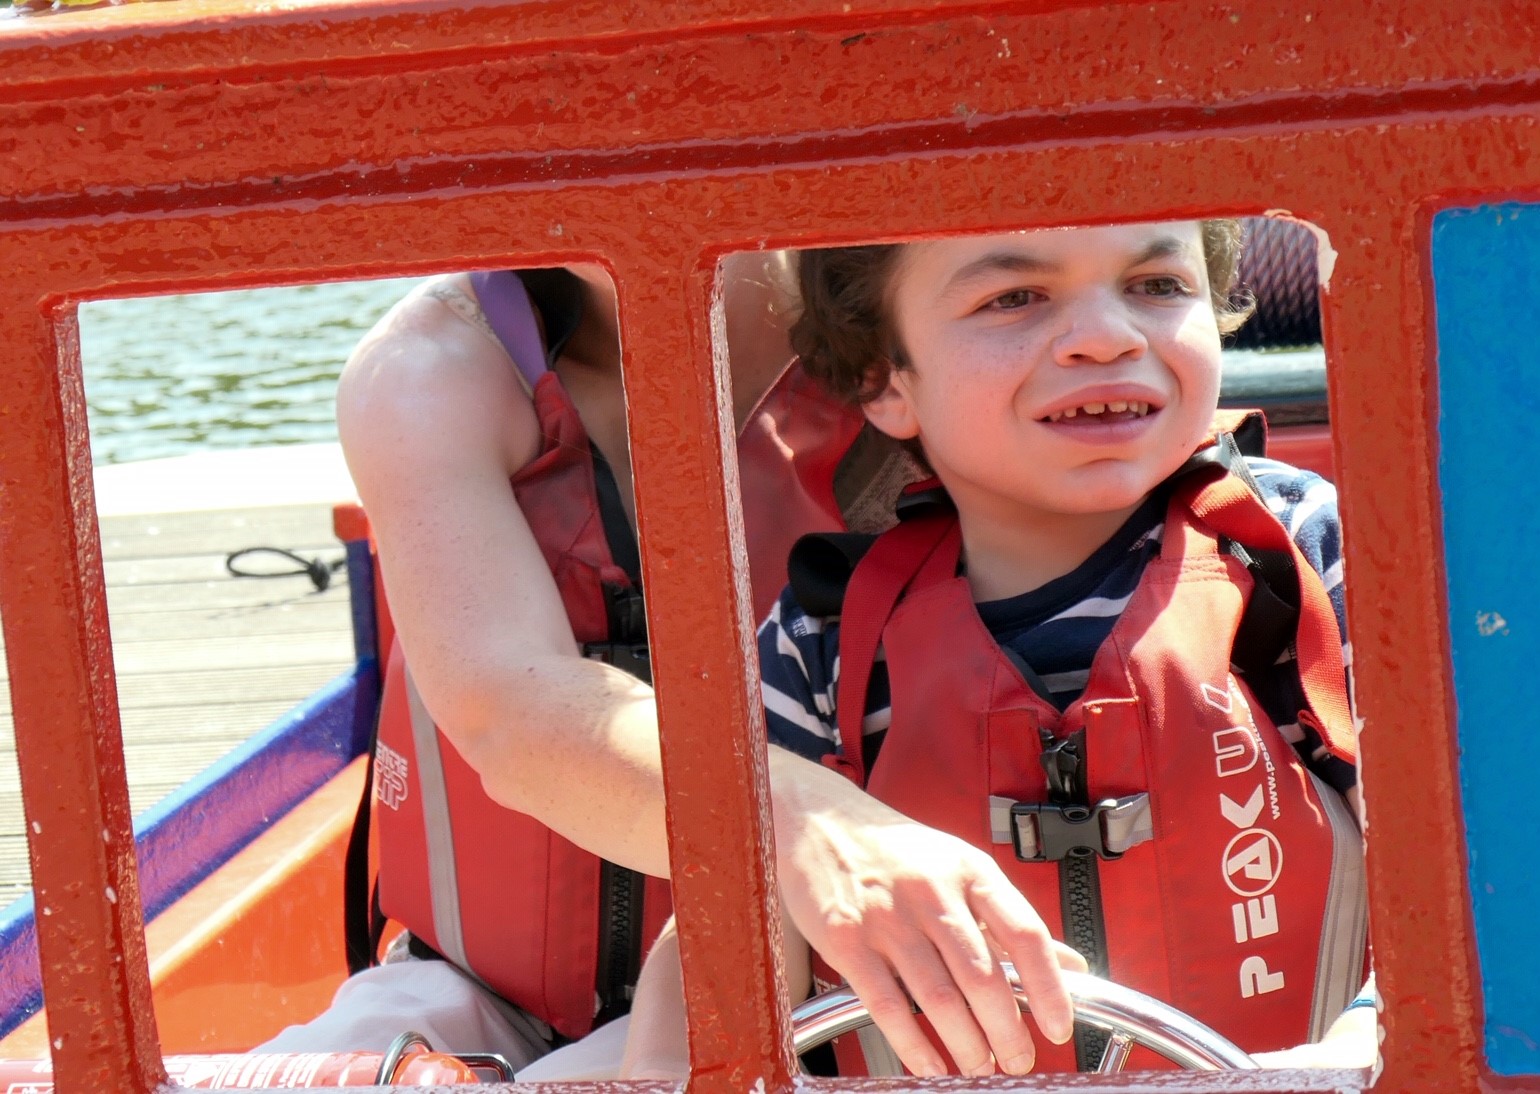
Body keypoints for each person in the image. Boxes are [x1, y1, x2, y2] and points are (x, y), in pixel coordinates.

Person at [260, 251, 1081, 1077]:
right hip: (472, 991)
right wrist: (804, 823)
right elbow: (503, 705)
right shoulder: (429, 369)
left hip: (824, 986)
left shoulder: (911, 312)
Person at [618, 219, 1374, 1079]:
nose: (1107, 337)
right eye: (1013, 298)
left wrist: (1363, 1052)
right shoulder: (824, 642)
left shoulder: (1300, 558)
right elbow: (718, 943)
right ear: (884, 378)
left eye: (1158, 286)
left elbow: (1461, 863)